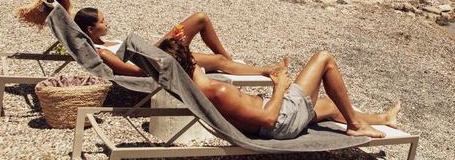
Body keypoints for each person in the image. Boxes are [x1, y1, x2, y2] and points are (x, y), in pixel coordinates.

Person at [160, 38, 400, 140]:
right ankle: (355, 125)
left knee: (331, 105)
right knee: (324, 58)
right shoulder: (216, 91)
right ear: (192, 60)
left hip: (279, 118)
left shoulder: (196, 87)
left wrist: (265, 73)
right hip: (280, 121)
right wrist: (280, 87)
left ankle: (382, 118)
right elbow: (267, 119)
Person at [74, 8, 287, 78]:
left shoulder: (103, 40)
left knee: (200, 18)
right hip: (156, 64)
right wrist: (168, 51)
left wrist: (166, 44)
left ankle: (233, 62)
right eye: (102, 21)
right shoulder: (102, 53)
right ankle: (266, 71)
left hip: (154, 54)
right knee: (218, 61)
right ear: (90, 29)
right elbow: (137, 72)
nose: (106, 22)